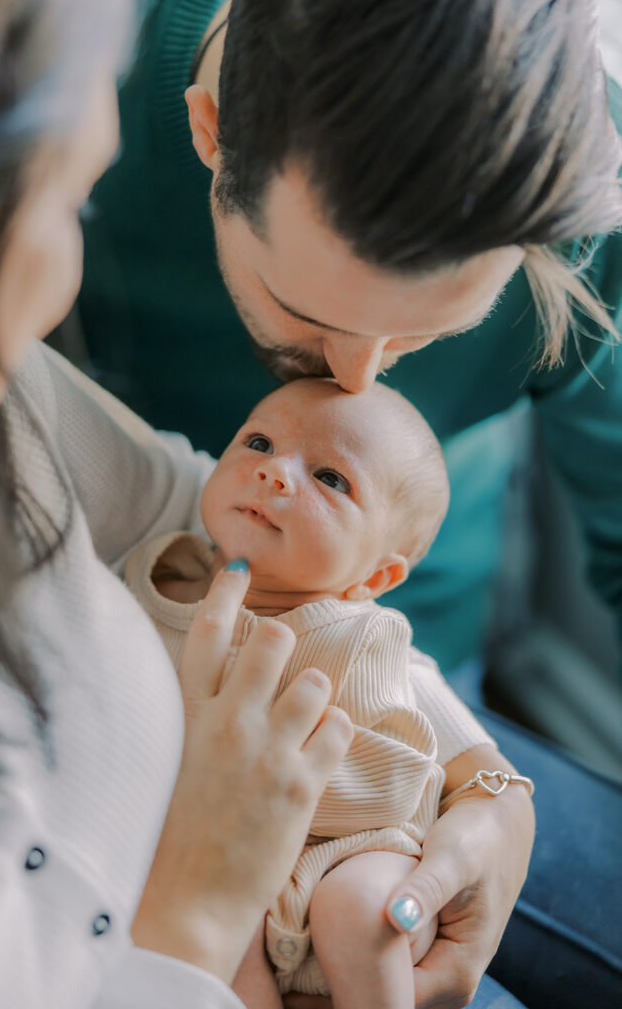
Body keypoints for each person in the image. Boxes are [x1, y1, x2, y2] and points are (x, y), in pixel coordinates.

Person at [74, 0, 622, 1006]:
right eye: (305, 312)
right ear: (208, 132)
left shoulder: (580, 183)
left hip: (403, 702)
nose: (360, 379)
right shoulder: (74, 92)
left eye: (428, 334)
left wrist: (490, 788)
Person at [0, 0, 357, 1005]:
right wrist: (195, 914)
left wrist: (482, 780)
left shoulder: (8, 411)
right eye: (67, 201)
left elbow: (199, 507)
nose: (357, 375)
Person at [125, 378, 532, 1009]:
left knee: (359, 912)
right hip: (212, 878)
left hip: (354, 854)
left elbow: (424, 770)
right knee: (227, 953)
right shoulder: (147, 582)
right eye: (258, 441)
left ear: (376, 577)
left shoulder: (365, 638)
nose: (274, 472)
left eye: (332, 479)